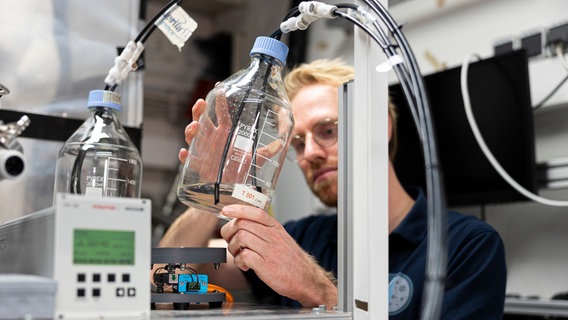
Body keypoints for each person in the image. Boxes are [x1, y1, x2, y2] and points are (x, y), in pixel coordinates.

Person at [157, 58, 507, 318]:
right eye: (297, 142)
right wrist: (215, 188)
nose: (309, 153)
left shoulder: (466, 247)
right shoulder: (299, 239)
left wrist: (320, 291)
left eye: (327, 130)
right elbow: (166, 280)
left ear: (379, 127)